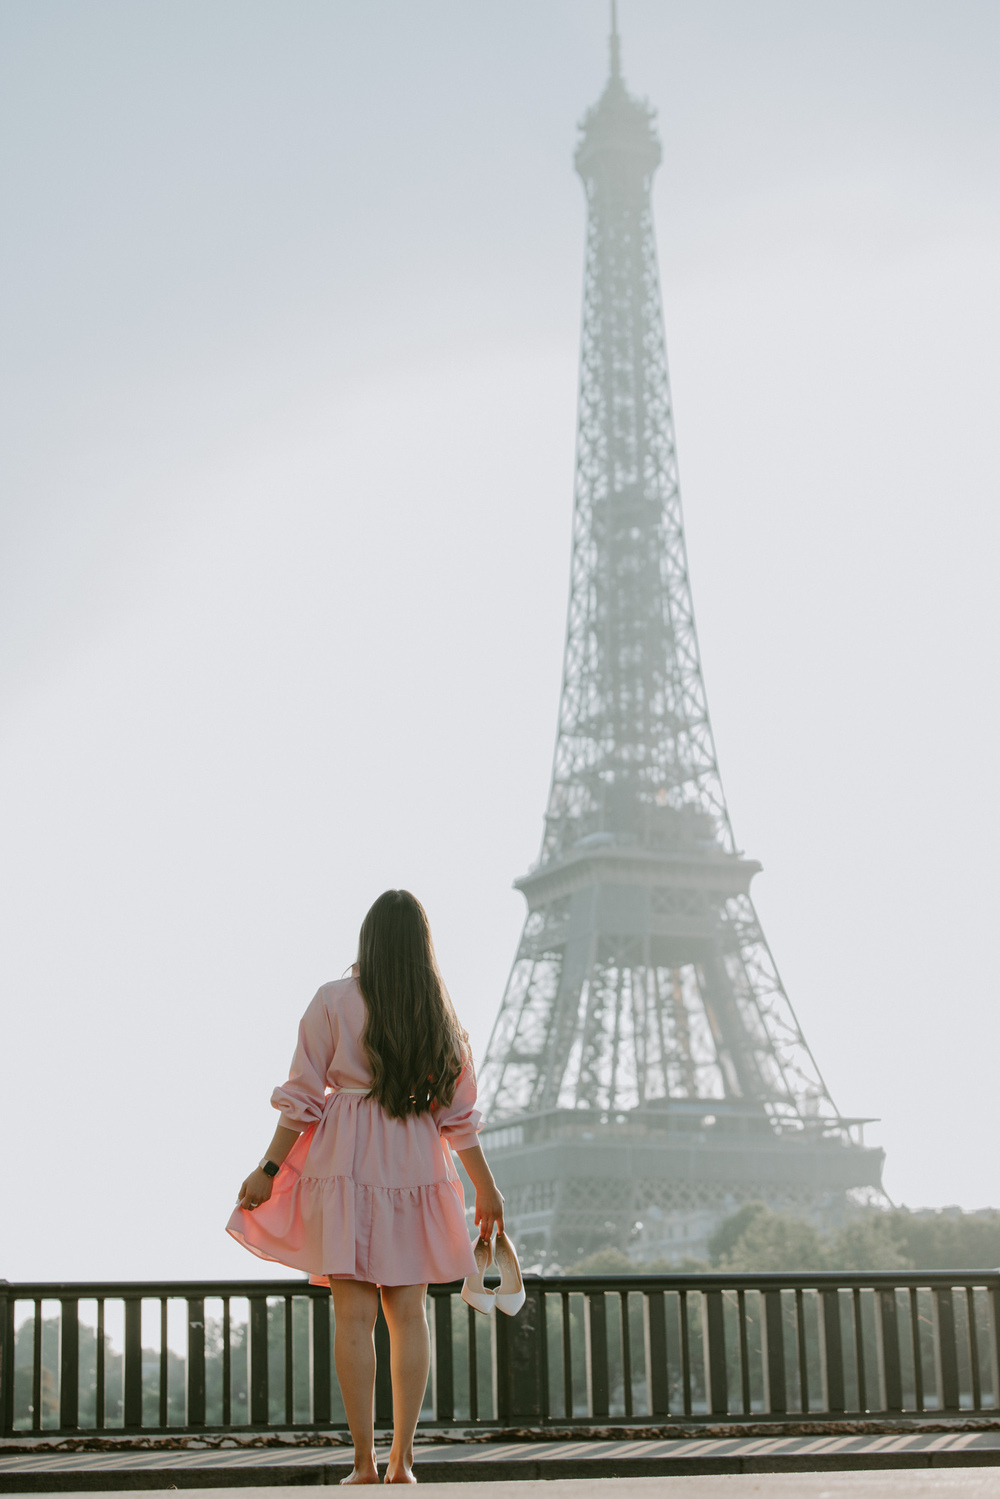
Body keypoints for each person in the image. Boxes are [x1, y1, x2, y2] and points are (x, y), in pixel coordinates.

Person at [226, 889, 507, 1486]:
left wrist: (268, 1170)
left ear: (369, 939)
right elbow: (458, 1120)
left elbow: (301, 1099)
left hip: (345, 1160)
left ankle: (362, 1462)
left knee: (352, 1316)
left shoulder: (332, 1000)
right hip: (413, 1160)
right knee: (409, 1315)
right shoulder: (439, 1014)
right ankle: (404, 1461)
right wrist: (486, 1189)